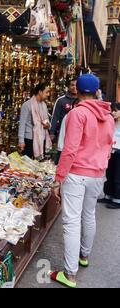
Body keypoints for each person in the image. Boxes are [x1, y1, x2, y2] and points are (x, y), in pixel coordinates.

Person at [50, 74, 115, 288]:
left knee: (71, 221)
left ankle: (70, 275)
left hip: (77, 174)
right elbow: (108, 147)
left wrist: (59, 178)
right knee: (89, 215)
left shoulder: (78, 114)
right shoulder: (107, 116)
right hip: (97, 174)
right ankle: (84, 256)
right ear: (97, 91)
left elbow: (69, 151)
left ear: (76, 90)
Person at [18, 83, 52, 159]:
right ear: (40, 92)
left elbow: (47, 120)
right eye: (46, 92)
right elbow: (22, 124)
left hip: (41, 138)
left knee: (38, 165)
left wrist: (48, 125)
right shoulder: (27, 105)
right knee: (27, 164)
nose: (48, 94)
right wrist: (21, 141)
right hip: (29, 139)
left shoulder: (44, 105)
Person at [50, 78, 78, 164]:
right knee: (61, 153)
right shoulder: (61, 100)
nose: (74, 87)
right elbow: (55, 117)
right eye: (72, 85)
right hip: (63, 133)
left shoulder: (82, 101)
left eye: (76, 85)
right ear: (68, 87)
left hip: (77, 134)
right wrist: (52, 132)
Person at [103, 102, 120, 209]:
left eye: (116, 110)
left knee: (118, 176)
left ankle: (118, 200)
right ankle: (109, 195)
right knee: (109, 174)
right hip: (112, 151)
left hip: (119, 152)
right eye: (112, 110)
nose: (113, 112)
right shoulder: (112, 122)